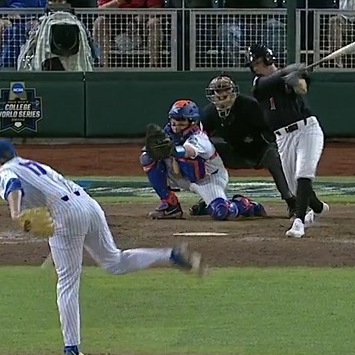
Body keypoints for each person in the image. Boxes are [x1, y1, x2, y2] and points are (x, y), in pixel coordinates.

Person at [0, 139, 207, 355]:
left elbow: (12, 186)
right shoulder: (32, 164)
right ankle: (170, 256)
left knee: (67, 281)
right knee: (115, 262)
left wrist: (15, 214)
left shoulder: (4, 171)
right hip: (88, 205)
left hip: (65, 214)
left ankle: (71, 349)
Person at [246, 45, 329, 239]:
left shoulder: (287, 76)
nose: (256, 68)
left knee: (303, 173)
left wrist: (296, 79)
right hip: (283, 138)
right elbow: (270, 82)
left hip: (307, 130)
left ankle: (299, 222)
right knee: (294, 188)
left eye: (258, 63)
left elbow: (302, 89)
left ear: (268, 59)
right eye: (253, 65)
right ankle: (318, 208)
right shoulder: (259, 84)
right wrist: (286, 73)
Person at [140, 99, 268, 221]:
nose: (176, 126)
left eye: (181, 122)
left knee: (221, 212)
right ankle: (170, 205)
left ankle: (245, 205)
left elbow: (187, 151)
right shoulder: (169, 132)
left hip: (209, 179)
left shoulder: (199, 138)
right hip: (183, 175)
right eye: (174, 121)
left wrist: (172, 150)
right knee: (147, 157)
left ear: (192, 122)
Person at [195, 74, 298, 218]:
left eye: (226, 90)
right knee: (206, 151)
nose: (222, 94)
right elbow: (201, 137)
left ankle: (291, 201)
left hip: (260, 151)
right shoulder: (210, 112)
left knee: (274, 157)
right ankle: (212, 199)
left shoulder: (250, 106)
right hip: (235, 153)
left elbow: (269, 128)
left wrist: (267, 142)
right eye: (218, 91)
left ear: (233, 91)